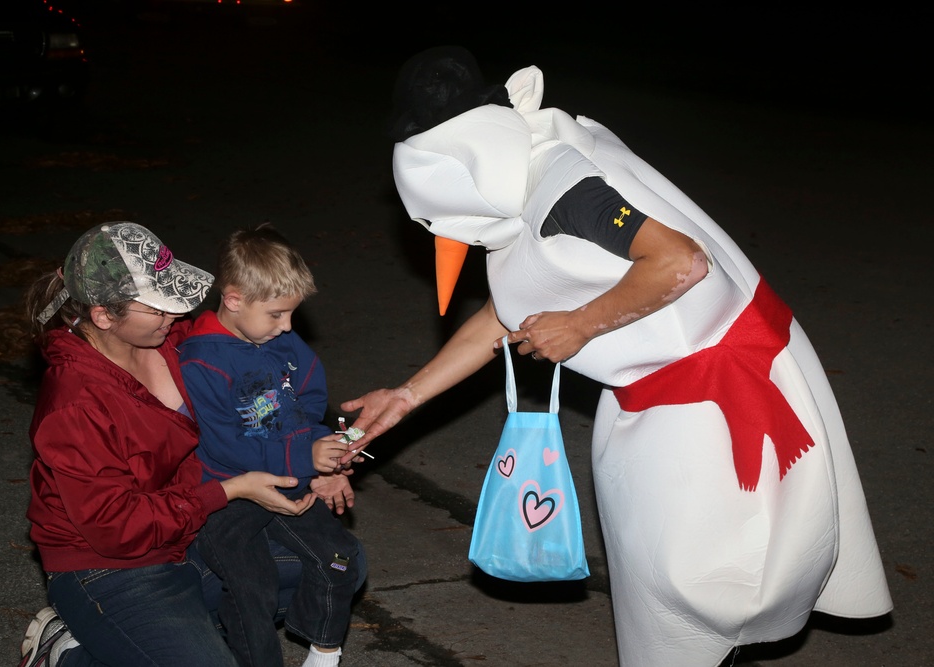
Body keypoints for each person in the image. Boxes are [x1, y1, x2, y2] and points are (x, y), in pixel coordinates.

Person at [339, 46, 893, 666]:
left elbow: (680, 262)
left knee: (694, 580)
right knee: (671, 581)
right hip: (653, 403)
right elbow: (507, 309)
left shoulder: (569, 191)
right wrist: (409, 394)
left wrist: (579, 325)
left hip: (705, 399)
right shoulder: (531, 160)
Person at [18, 221, 315, 667]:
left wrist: (316, 453)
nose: (175, 315)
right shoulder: (75, 403)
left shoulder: (175, 340)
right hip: (111, 566)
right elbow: (117, 528)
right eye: (157, 308)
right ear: (103, 316)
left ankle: (120, 641)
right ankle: (72, 653)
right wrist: (227, 490)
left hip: (188, 530)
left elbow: (263, 391)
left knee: (330, 564)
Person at [178, 223, 363, 667]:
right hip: (229, 491)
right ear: (234, 299)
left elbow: (310, 401)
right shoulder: (201, 360)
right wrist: (304, 457)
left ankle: (323, 650)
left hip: (288, 479)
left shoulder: (284, 344)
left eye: (292, 314)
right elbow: (224, 446)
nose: (288, 327)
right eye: (277, 314)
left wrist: (325, 456)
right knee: (251, 584)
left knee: (342, 558)